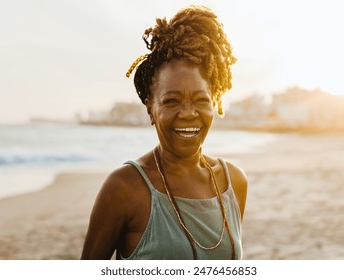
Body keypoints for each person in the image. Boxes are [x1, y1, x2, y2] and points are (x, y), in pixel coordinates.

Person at [81, 5, 247, 260]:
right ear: (150, 109)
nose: (188, 113)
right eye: (171, 101)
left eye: (201, 100)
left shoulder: (233, 182)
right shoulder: (124, 188)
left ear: (214, 102)